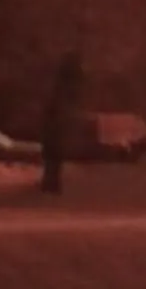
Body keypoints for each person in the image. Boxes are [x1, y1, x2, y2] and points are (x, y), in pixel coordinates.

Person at [40, 51, 85, 197]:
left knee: (52, 165)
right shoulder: (62, 97)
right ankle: (52, 186)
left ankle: (50, 186)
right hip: (54, 142)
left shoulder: (57, 99)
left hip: (53, 142)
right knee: (53, 165)